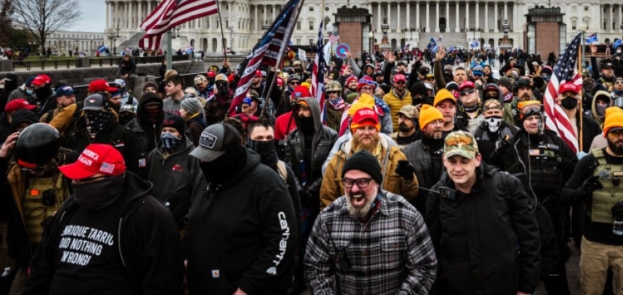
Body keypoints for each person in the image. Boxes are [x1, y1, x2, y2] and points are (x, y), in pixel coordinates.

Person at [26, 144, 184, 294]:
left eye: (83, 178)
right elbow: (41, 266)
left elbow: (164, 282)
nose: (75, 183)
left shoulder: (148, 215)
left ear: (110, 178)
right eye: (74, 178)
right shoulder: (70, 207)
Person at [304, 150, 438, 294]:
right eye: (348, 181)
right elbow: (315, 270)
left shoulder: (406, 215)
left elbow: (424, 267)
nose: (354, 189)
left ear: (377, 182)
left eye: (362, 181)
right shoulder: (328, 219)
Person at [187, 122, 298, 295]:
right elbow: (193, 219)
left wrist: (248, 287)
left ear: (230, 156)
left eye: (210, 158)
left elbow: (282, 240)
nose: (203, 162)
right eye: (202, 156)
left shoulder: (266, 184)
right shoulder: (204, 178)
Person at [426, 131, 541, 295]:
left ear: (477, 159)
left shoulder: (506, 185)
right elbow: (432, 248)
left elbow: (530, 238)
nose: (458, 168)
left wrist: (526, 287)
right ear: (444, 160)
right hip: (457, 287)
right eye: (452, 161)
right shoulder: (437, 195)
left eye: (465, 161)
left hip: (502, 285)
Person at [562, 107, 623, 295]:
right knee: (591, 290)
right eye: (615, 133)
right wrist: (583, 192)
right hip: (594, 243)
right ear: (606, 134)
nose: (620, 137)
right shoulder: (588, 162)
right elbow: (566, 195)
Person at [490, 100, 575, 294]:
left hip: (554, 207)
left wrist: (564, 182)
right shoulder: (513, 142)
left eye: (538, 118)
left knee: (557, 254)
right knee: (528, 251)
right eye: (530, 119)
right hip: (526, 209)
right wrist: (500, 149)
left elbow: (574, 170)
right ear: (522, 121)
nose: (534, 122)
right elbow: (493, 168)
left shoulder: (555, 140)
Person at [0, 123, 75, 293]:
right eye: (28, 169)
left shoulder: (71, 169)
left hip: (64, 258)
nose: (32, 172)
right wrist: (2, 159)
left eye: (38, 168)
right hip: (29, 259)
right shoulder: (16, 176)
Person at [319, 107, 418, 209]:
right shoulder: (338, 161)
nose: (366, 133)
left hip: (388, 220)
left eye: (371, 128)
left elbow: (411, 194)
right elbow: (327, 200)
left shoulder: (395, 157)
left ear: (377, 130)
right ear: (353, 131)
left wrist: (409, 179)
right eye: (361, 128)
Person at [145, 114, 199, 230]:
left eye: (172, 131)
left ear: (181, 133)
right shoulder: (153, 155)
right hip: (152, 216)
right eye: (164, 130)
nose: (167, 134)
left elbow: (196, 189)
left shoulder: (192, 156)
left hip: (177, 220)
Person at [402, 105, 446, 211]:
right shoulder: (409, 152)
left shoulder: (453, 147)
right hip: (420, 210)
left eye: (440, 121)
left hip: (448, 210)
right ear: (424, 127)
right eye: (433, 122)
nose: (438, 125)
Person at [473, 98, 515, 162]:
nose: (493, 114)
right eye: (489, 113)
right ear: (484, 114)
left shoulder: (514, 131)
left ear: (502, 113)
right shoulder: (476, 133)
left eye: (496, 112)